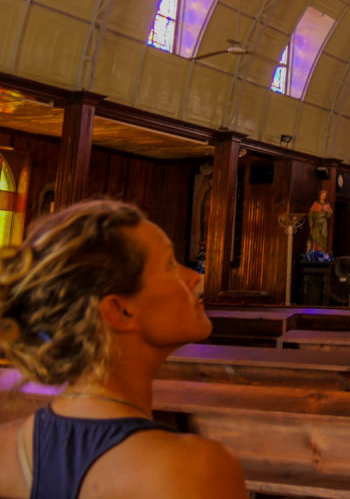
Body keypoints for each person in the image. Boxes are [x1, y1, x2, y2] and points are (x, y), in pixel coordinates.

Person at [0, 199, 247, 499]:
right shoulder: (195, 469)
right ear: (120, 311)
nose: (194, 277)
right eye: (170, 263)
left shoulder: (7, 450)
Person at [307, 188, 332, 254]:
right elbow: (311, 213)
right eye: (323, 195)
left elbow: (330, 212)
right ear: (320, 195)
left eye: (325, 195)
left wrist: (325, 213)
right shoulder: (315, 203)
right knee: (316, 236)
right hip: (316, 223)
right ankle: (315, 251)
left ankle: (322, 252)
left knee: (323, 237)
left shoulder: (327, 204)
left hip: (323, 223)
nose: (324, 196)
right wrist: (311, 221)